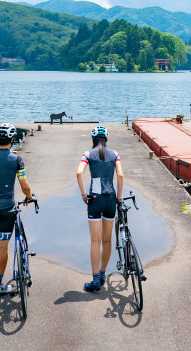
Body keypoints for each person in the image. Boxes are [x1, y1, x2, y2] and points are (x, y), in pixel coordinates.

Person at [0, 123, 33, 296]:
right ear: (12, 139)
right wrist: (30, 197)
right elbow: (24, 184)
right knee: (2, 247)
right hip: (7, 210)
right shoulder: (17, 160)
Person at [75, 125, 124, 292]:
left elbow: (79, 173)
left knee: (95, 241)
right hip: (110, 197)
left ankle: (95, 280)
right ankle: (103, 273)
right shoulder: (115, 154)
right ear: (106, 140)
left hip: (94, 197)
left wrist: (83, 195)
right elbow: (120, 175)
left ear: (93, 140)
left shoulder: (88, 154)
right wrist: (118, 198)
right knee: (107, 240)